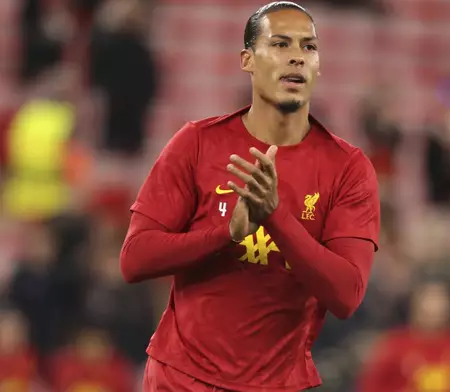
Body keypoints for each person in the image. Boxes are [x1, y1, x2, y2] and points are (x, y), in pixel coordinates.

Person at [119, 2, 380, 391]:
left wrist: (274, 216)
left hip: (278, 383)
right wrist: (227, 234)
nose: (296, 57)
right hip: (181, 378)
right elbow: (134, 259)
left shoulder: (348, 169)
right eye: (279, 44)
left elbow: (346, 294)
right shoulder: (197, 143)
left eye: (308, 47)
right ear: (247, 60)